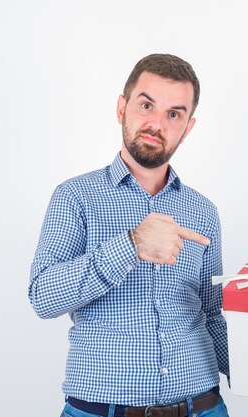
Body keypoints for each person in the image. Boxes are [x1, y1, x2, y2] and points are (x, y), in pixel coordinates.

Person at [29, 53, 229, 417]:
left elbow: (213, 313)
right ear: (122, 108)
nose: (157, 123)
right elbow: (43, 296)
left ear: (188, 127)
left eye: (174, 114)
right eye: (146, 105)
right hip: (102, 409)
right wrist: (132, 245)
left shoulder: (204, 212)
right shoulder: (76, 197)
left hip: (203, 406)